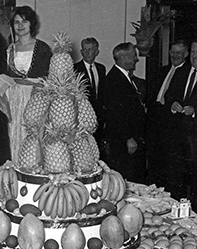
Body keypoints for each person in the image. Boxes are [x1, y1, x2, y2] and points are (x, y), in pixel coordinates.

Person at [5, 6, 52, 162]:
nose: (20, 25)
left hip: (36, 96)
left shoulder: (43, 48)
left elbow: (49, 78)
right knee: (14, 132)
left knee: (33, 135)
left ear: (32, 24)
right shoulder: (10, 49)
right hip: (14, 98)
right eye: (16, 22)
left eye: (24, 21)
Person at [146, 40, 190, 187]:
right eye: (172, 52)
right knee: (155, 170)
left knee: (171, 173)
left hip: (172, 130)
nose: (174, 55)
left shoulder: (187, 73)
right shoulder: (162, 70)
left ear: (186, 54)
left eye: (179, 53)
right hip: (155, 127)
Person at [103, 42, 146, 183]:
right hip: (124, 142)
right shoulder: (114, 80)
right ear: (124, 57)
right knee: (127, 178)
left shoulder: (123, 77)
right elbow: (116, 114)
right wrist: (128, 138)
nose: (136, 59)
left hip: (128, 139)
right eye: (133, 55)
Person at [164, 40, 197, 203]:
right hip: (177, 137)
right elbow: (169, 94)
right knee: (176, 178)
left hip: (194, 139)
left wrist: (195, 111)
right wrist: (172, 104)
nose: (195, 56)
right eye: (193, 52)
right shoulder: (182, 72)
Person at [74, 37, 106, 144]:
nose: (86, 52)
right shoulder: (75, 69)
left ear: (97, 52)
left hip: (99, 116)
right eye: (84, 50)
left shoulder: (101, 68)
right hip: (82, 116)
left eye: (90, 49)